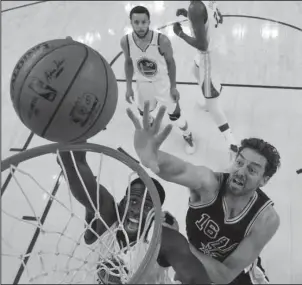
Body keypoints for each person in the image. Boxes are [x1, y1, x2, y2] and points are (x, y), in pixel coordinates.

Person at [127, 101, 281, 284]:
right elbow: (179, 169)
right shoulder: (209, 184)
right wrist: (152, 156)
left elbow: (225, 275)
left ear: (264, 180)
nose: (241, 171)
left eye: (252, 170)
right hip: (195, 263)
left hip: (238, 273)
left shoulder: (266, 219)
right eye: (239, 163)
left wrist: (181, 244)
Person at [57, 149, 212, 284]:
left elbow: (197, 279)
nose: (136, 210)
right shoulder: (109, 219)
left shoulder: (164, 240)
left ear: (155, 214)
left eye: (147, 206)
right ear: (123, 202)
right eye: (133, 201)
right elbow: (74, 166)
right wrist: (69, 135)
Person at [120, 5, 196, 155]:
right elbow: (128, 62)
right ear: (131, 23)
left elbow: (171, 63)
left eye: (143, 22)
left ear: (149, 22)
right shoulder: (126, 42)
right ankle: (153, 124)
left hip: (162, 84)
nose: (140, 26)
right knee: (145, 114)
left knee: (176, 116)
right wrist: (128, 86)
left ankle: (188, 136)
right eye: (136, 22)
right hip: (142, 85)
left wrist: (174, 86)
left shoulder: (162, 40)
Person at [173, 1, 238, 158]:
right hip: (216, 48)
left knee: (214, 108)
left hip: (208, 57)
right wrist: (191, 16)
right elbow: (219, 19)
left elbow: (202, 45)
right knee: (194, 70)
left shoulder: (196, 7)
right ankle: (209, 93)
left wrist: (181, 34)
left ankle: (232, 145)